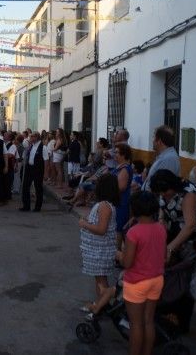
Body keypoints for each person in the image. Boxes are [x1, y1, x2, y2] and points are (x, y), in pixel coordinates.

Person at [116, 191, 167, 355]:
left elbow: (127, 262)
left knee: (136, 324)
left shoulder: (134, 232)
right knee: (148, 321)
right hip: (157, 279)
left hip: (137, 282)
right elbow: (164, 256)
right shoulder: (161, 228)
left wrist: (119, 255)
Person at [78, 174, 119, 315]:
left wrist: (84, 224)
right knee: (99, 279)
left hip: (100, 250)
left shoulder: (104, 206)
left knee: (101, 280)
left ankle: (101, 306)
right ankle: (100, 303)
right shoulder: (104, 205)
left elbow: (101, 229)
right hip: (98, 249)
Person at [142, 126, 180, 191]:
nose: (152, 140)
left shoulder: (168, 159)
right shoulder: (164, 156)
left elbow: (161, 187)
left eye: (154, 137)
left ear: (159, 141)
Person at [20, 132, 49, 212]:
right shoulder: (31, 146)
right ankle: (26, 206)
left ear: (37, 137)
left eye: (32, 136)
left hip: (38, 170)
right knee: (25, 186)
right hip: (29, 168)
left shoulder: (43, 147)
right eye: (30, 136)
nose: (30, 138)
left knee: (38, 188)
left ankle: (37, 207)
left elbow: (46, 161)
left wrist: (46, 173)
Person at [113, 143, 133, 248]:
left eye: (117, 152)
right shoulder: (120, 167)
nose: (114, 154)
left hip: (121, 202)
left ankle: (117, 253)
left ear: (123, 154)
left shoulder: (124, 169)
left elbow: (121, 187)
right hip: (117, 201)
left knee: (119, 229)